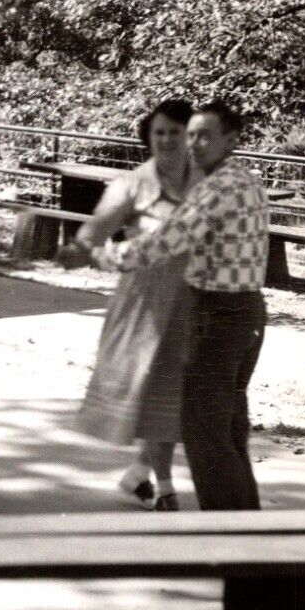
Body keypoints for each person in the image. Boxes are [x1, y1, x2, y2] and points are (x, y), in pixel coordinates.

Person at [79, 101, 269, 511]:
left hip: (219, 317)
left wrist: (103, 256)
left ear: (231, 141)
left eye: (206, 136)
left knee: (206, 438)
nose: (194, 144)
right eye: (192, 134)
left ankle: (231, 536)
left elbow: (166, 241)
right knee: (229, 431)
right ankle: (249, 531)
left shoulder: (217, 188)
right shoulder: (245, 179)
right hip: (245, 313)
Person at [60, 99, 196, 511]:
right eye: (160, 133)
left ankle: (140, 472)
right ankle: (166, 486)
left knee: (172, 395)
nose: (168, 140)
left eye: (176, 132)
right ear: (148, 139)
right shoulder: (131, 185)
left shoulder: (206, 180)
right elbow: (94, 231)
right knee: (155, 388)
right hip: (145, 303)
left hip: (192, 300)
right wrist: (81, 248)